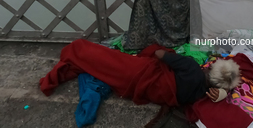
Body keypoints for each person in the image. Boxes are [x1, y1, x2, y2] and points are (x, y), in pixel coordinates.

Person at [39, 39, 232, 107]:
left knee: (87, 50)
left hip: (140, 72)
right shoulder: (200, 95)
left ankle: (73, 52)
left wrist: (165, 54)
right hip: (137, 88)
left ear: (213, 68)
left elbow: (159, 54)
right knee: (102, 67)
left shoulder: (191, 66)